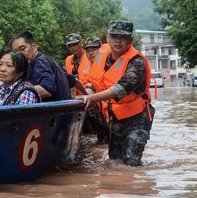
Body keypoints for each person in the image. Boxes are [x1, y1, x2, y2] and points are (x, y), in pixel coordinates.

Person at [79, 20, 154, 166]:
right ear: (108, 38)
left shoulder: (136, 62)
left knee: (131, 161)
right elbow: (94, 84)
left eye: (123, 37)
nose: (118, 40)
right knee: (114, 162)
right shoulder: (101, 57)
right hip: (115, 118)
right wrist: (85, 93)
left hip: (137, 119)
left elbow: (121, 88)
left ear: (130, 40)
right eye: (114, 36)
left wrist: (92, 98)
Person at [9, 31, 71, 101]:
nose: (20, 54)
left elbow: (46, 90)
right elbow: (71, 79)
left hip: (57, 110)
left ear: (34, 46)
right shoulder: (42, 61)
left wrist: (12, 93)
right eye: (16, 52)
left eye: (22, 49)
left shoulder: (41, 61)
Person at [81, 37, 109, 144]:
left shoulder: (109, 64)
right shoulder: (92, 67)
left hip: (115, 112)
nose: (90, 53)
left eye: (94, 50)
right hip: (100, 111)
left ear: (101, 49)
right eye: (88, 51)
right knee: (102, 143)